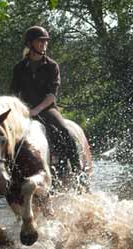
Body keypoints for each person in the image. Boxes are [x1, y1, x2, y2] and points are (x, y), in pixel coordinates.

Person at [10, 25, 81, 173]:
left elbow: (51, 96)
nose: (44, 44)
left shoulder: (52, 66)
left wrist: (36, 110)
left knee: (64, 131)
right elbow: (14, 94)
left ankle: (77, 171)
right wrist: (20, 111)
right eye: (40, 41)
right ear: (30, 44)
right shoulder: (19, 67)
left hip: (47, 109)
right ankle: (4, 176)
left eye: (45, 41)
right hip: (25, 110)